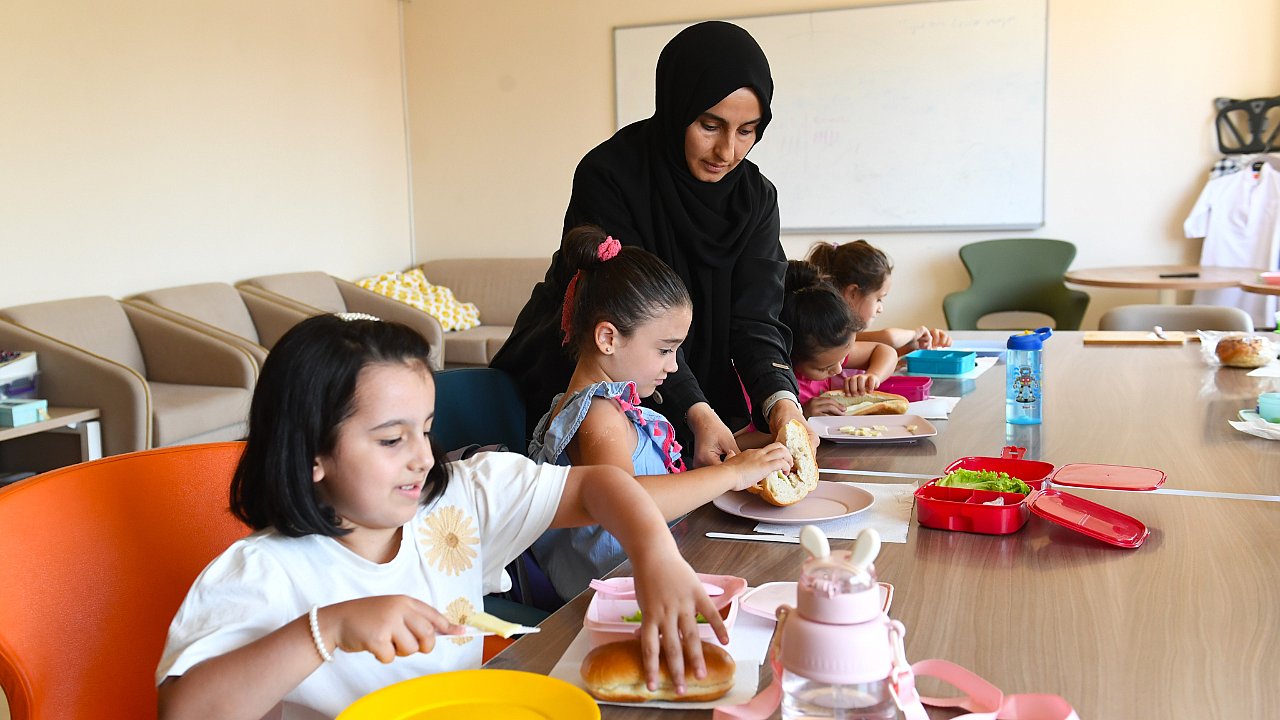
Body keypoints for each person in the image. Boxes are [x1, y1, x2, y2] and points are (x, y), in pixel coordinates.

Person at [156, 315, 725, 719]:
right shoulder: (261, 573)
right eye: (390, 439)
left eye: (425, 430)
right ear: (311, 454)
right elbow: (185, 712)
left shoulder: (462, 500)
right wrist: (327, 629)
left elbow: (601, 484)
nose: (422, 457)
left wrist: (655, 553)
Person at [492, 21, 812, 468]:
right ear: (677, 107)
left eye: (747, 131)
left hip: (673, 378)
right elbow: (632, 316)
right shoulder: (611, 175)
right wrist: (698, 411)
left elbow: (756, 318)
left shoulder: (754, 198)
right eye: (710, 125)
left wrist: (782, 404)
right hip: (599, 382)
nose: (727, 151)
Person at [528, 225, 793, 601]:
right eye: (665, 350)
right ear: (608, 338)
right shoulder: (597, 415)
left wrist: (755, 452)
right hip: (617, 594)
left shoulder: (602, 406)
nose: (673, 366)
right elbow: (626, 500)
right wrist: (733, 473)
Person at [736, 263, 897, 446]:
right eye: (824, 368)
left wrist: (873, 376)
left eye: (841, 360)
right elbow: (737, 443)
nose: (838, 370)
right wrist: (800, 417)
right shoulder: (754, 382)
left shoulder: (830, 355)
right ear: (789, 358)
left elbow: (885, 351)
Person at [807, 240, 952, 356]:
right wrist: (915, 334)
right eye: (879, 299)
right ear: (852, 293)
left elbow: (881, 353)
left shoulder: (845, 336)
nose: (880, 309)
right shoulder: (829, 338)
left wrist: (915, 346)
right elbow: (889, 338)